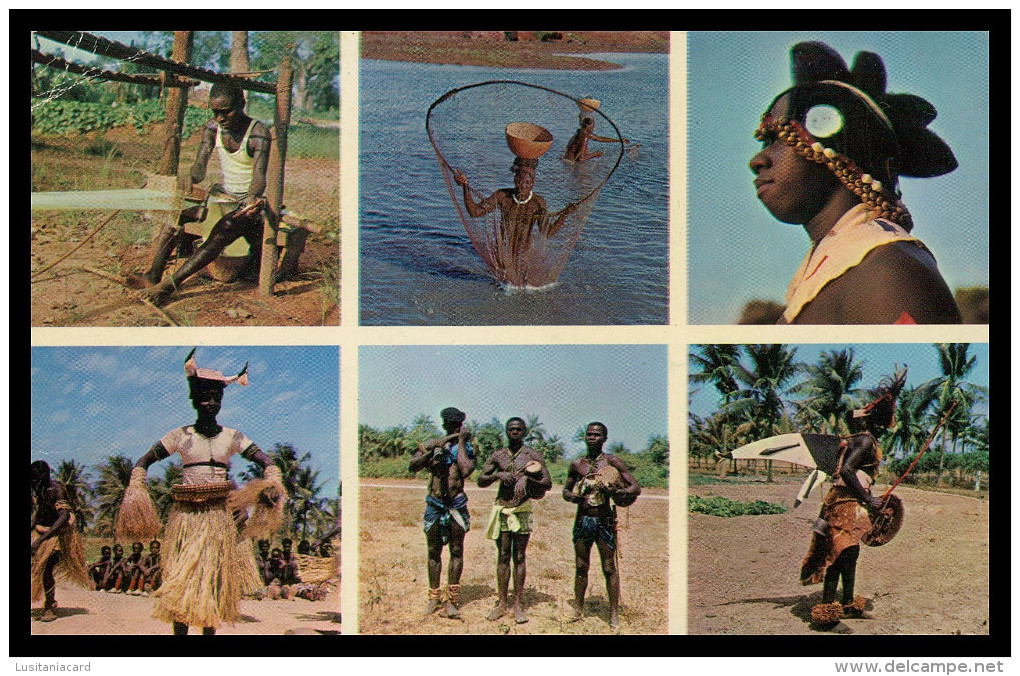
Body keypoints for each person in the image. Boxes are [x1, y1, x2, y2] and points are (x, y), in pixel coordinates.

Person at [749, 42, 961, 325]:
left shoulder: (889, 269)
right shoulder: (847, 268)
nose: (758, 160)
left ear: (837, 147)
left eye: (780, 136)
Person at [124, 348, 283, 634]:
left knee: (213, 580)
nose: (210, 403)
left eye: (216, 398)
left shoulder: (231, 436)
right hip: (186, 518)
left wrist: (272, 478)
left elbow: (263, 458)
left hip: (218, 518)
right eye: (204, 398)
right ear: (194, 401)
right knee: (182, 579)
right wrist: (137, 478)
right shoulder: (180, 436)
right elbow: (146, 459)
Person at [132, 81, 271, 306]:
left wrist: (252, 199)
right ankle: (153, 275)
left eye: (226, 112)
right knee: (178, 212)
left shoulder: (258, 133)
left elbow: (259, 177)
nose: (220, 118)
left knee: (222, 231)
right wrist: (190, 176)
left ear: (242, 104)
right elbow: (199, 168)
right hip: (224, 197)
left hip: (249, 204)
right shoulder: (212, 129)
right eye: (215, 112)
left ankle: (169, 286)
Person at [801, 369, 906, 625]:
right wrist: (868, 499)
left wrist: (868, 498)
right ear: (879, 423)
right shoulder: (864, 441)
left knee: (850, 554)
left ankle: (847, 604)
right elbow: (847, 470)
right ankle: (826, 610)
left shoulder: (867, 440)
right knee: (838, 554)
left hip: (852, 502)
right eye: (886, 422)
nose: (887, 427)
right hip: (843, 503)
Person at [562, 422, 641, 629]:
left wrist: (618, 493)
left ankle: (614, 614)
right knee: (581, 565)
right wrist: (574, 498)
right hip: (582, 520)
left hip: (604, 521)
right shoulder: (577, 464)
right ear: (584, 437)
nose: (592, 438)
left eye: (597, 435)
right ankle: (578, 609)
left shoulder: (611, 461)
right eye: (589, 434)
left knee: (609, 567)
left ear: (604, 438)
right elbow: (566, 491)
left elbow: (635, 487)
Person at [476, 417, 552, 624]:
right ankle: (501, 603)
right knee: (502, 555)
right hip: (502, 507)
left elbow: (547, 482)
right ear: (506, 432)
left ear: (525, 432)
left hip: (522, 509)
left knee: (519, 556)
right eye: (511, 429)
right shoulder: (498, 455)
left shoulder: (532, 456)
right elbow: (480, 480)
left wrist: (528, 478)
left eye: (518, 429)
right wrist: (498, 475)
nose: (515, 432)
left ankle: (518, 604)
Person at [407, 407, 475, 619]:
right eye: (450, 425)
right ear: (444, 425)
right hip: (435, 505)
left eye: (457, 426)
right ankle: (434, 597)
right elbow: (412, 466)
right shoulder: (432, 443)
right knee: (433, 552)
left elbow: (465, 470)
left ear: (461, 426)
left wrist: (461, 441)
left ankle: (452, 600)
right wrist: (431, 452)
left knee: (456, 551)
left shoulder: (466, 447)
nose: (454, 428)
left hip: (456, 504)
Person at [453, 158, 577, 268]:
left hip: (522, 258)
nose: (522, 186)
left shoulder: (537, 203)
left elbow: (547, 232)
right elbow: (474, 212)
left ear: (532, 183)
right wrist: (465, 187)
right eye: (519, 182)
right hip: (502, 256)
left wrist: (564, 214)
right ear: (514, 180)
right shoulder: (502, 196)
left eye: (527, 183)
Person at [30, 460, 89, 621]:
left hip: (58, 535)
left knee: (47, 568)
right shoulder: (39, 489)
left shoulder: (57, 490)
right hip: (43, 532)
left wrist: (40, 539)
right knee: (36, 568)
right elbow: (40, 513)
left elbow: (63, 518)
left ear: (43, 475)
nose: (33, 482)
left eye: (35, 479)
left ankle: (50, 606)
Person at [562, 116, 627, 162]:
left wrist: (619, 140)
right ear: (588, 126)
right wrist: (595, 154)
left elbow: (600, 139)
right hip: (570, 163)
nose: (593, 129)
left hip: (566, 159)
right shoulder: (585, 136)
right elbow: (581, 158)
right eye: (592, 127)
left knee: (586, 151)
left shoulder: (578, 132)